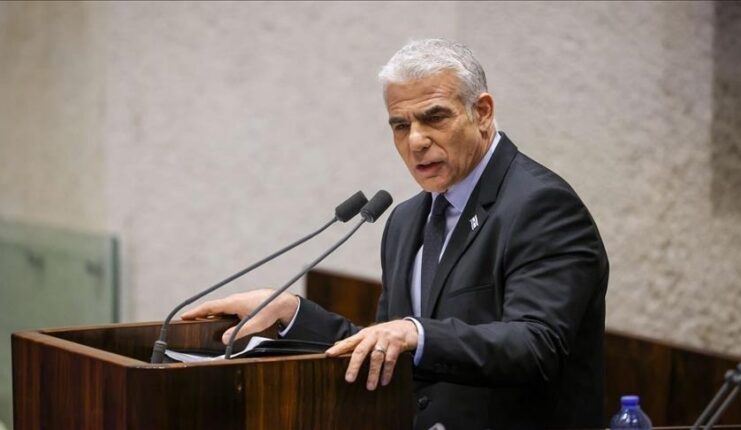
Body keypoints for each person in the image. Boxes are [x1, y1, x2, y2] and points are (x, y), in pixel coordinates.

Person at [182, 39, 609, 430]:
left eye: (434, 117)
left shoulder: (540, 205)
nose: (416, 141)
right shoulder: (406, 220)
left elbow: (537, 347)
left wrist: (417, 334)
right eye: (400, 125)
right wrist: (291, 313)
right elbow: (389, 349)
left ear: (482, 112)